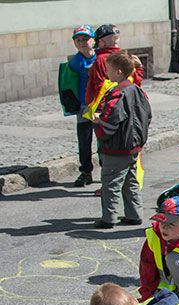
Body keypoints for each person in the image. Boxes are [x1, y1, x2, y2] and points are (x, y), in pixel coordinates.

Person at [92, 52, 151, 229]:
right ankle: (134, 214)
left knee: (111, 183)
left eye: (108, 70)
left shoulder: (117, 94)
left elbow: (110, 123)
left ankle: (108, 218)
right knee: (130, 181)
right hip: (134, 145)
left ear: (118, 72)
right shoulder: (138, 90)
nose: (106, 73)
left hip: (117, 147)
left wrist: (97, 122)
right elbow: (147, 115)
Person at [85, 24, 144, 113]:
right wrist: (139, 68)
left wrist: (100, 111)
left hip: (108, 106)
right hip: (128, 102)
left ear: (102, 42)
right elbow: (136, 81)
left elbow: (100, 85)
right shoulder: (125, 56)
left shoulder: (101, 59)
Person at [69, 25, 97, 187]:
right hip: (84, 106)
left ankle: (108, 172)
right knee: (84, 140)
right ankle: (86, 171)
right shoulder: (76, 61)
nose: (82, 43)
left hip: (101, 105)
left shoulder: (100, 57)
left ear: (93, 40)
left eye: (85, 39)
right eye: (78, 40)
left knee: (104, 140)